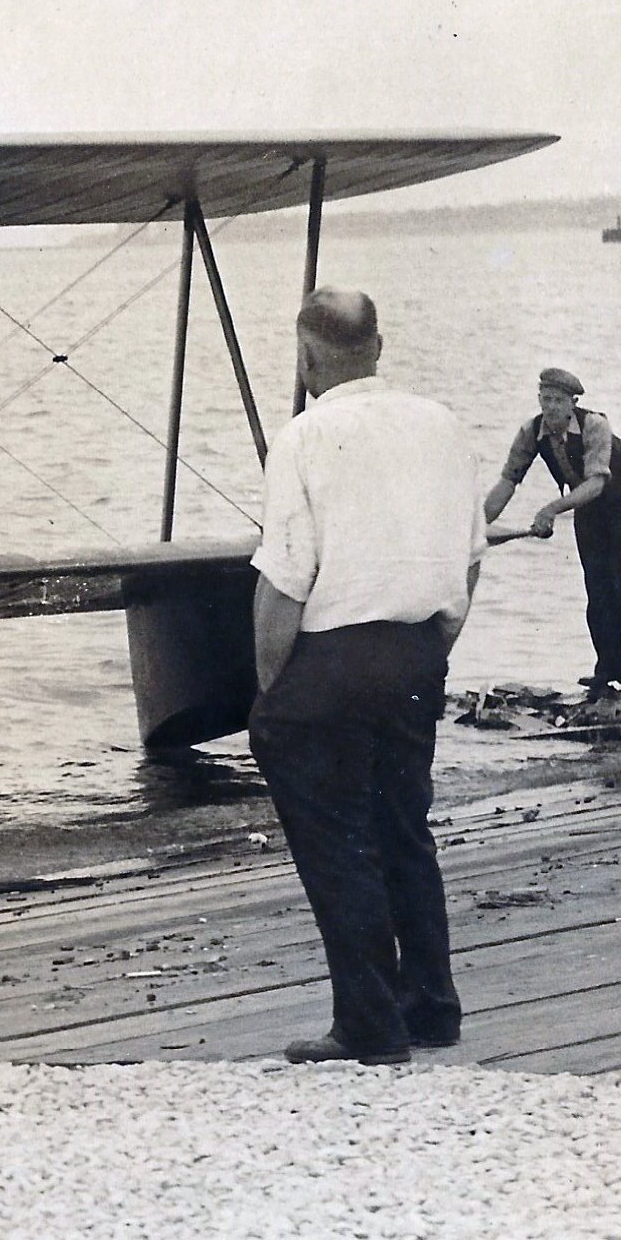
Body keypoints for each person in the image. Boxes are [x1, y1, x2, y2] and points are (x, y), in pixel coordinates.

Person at [249, 287, 489, 1067]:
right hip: (417, 648)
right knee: (403, 828)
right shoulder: (442, 425)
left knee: (339, 841)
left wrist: (270, 692)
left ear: (306, 357)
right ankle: (430, 1003)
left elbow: (284, 579)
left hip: (335, 654)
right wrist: (434, 646)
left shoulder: (304, 436)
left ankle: (368, 1023)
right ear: (378, 348)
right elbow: (469, 559)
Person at [483, 367, 621, 690]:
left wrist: (552, 509)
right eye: (545, 399)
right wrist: (478, 524)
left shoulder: (595, 424)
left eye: (558, 400)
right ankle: (613, 664)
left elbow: (597, 483)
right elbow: (507, 482)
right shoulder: (531, 432)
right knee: (596, 582)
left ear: (573, 403)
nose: (551, 407)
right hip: (584, 499)